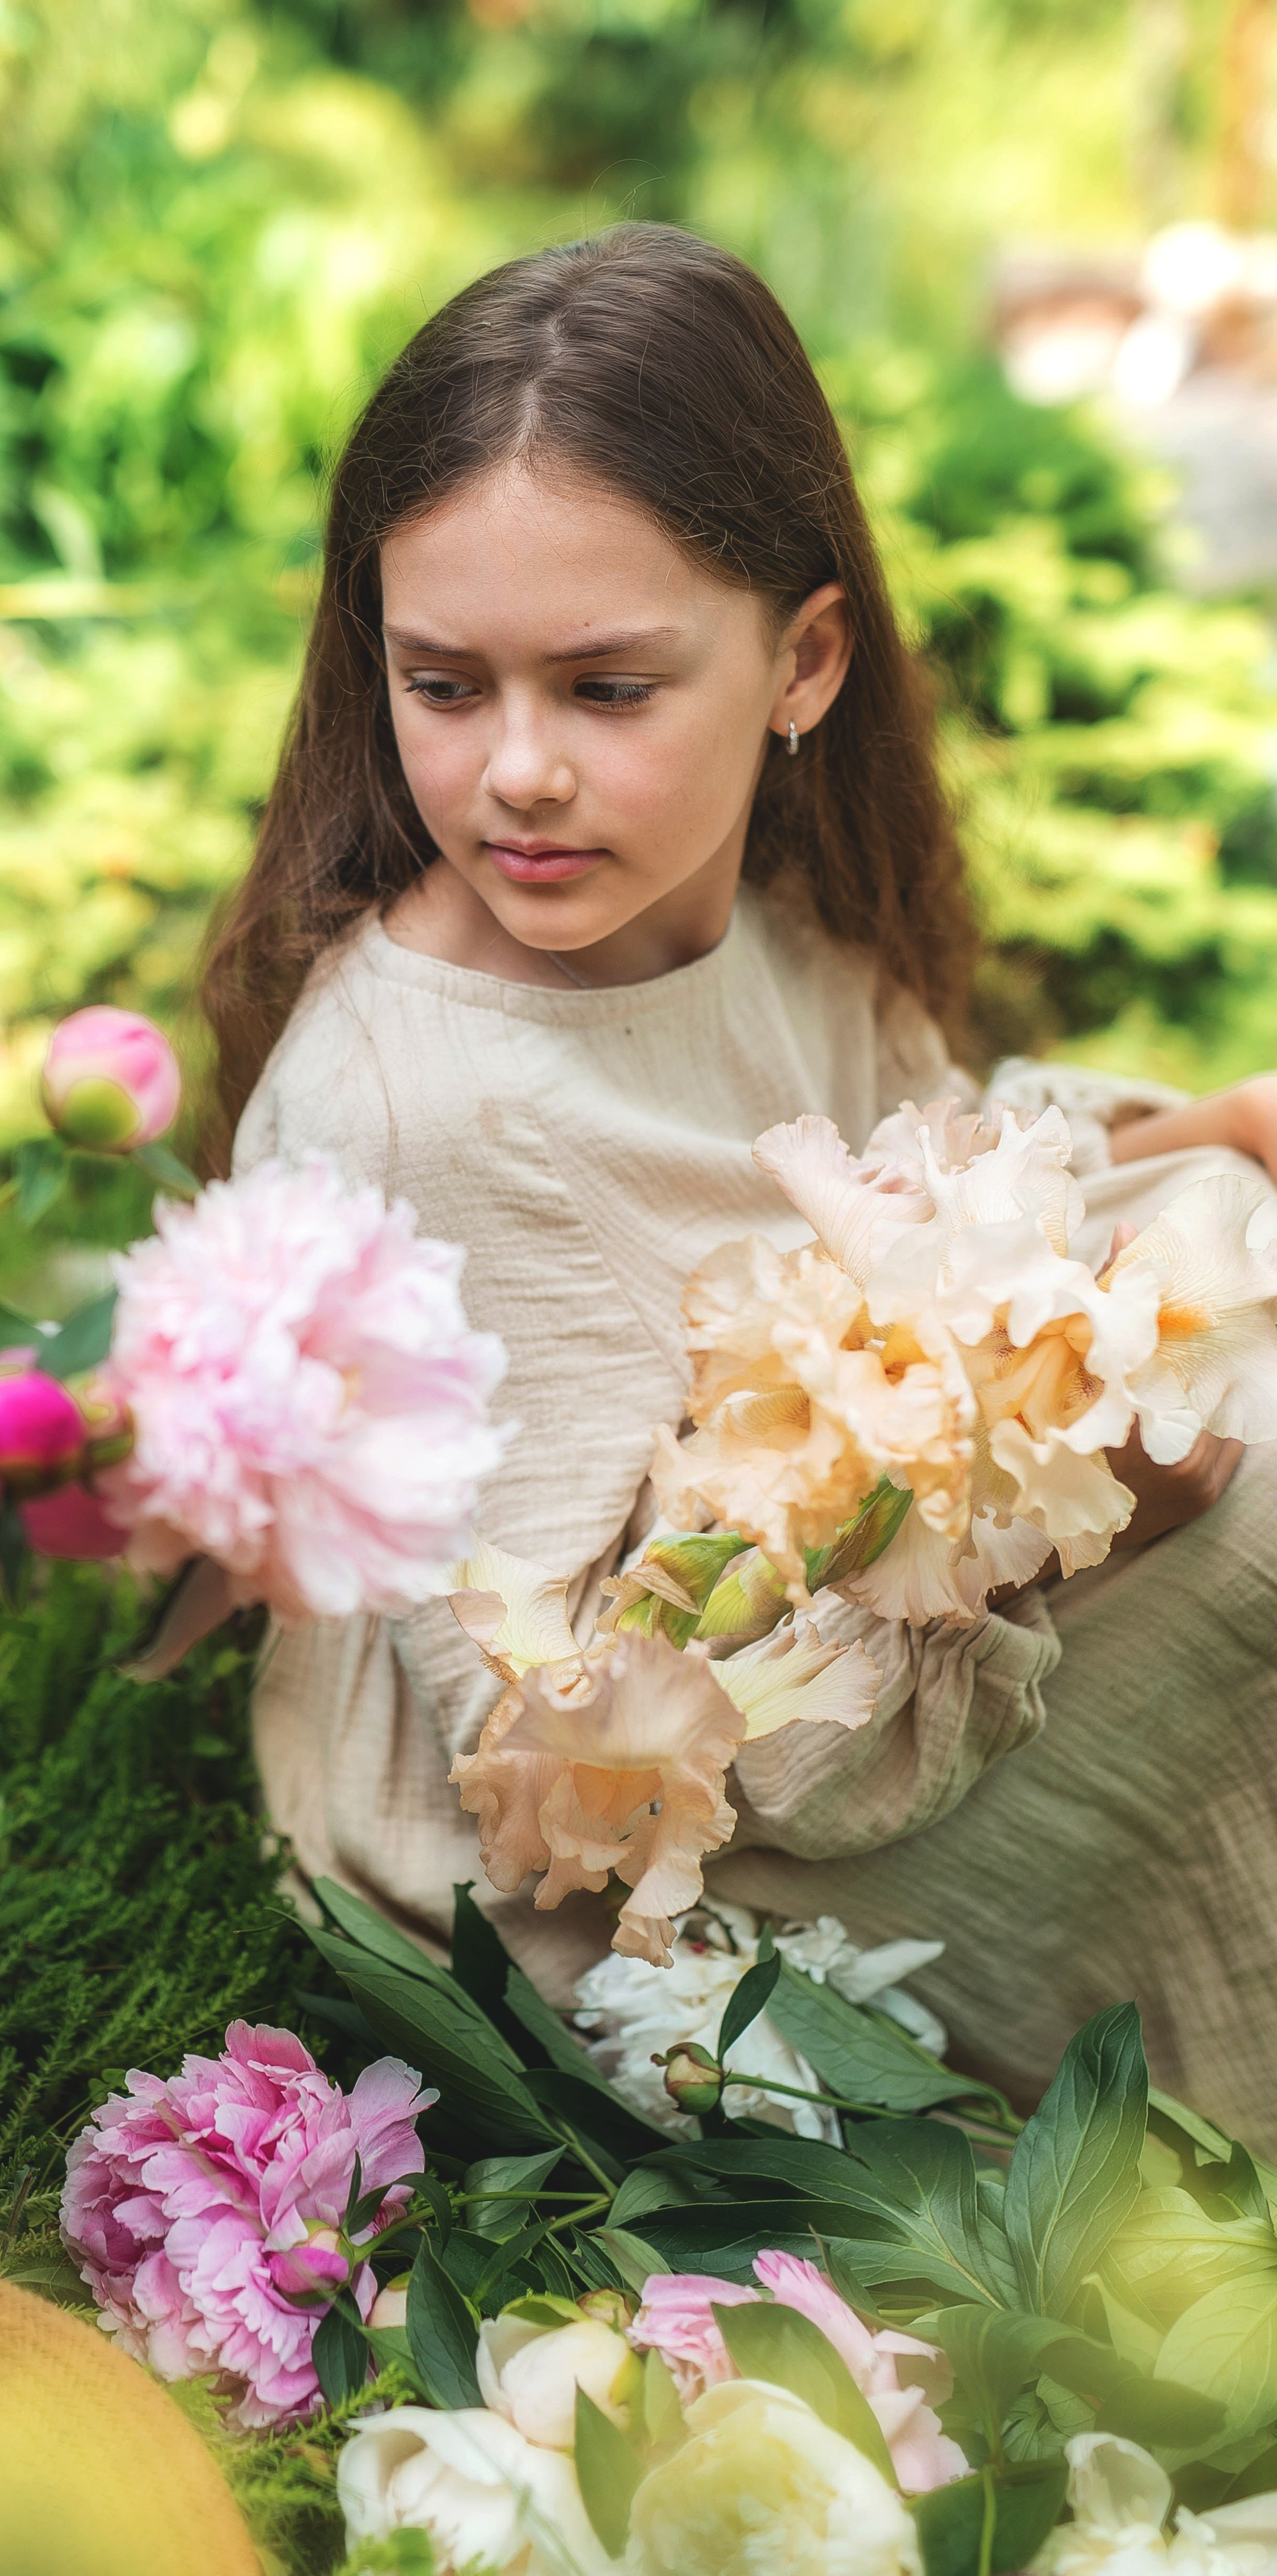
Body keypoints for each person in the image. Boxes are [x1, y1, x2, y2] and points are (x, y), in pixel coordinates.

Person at [202, 223, 1277, 2143]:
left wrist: (1196, 1143)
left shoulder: (771, 924)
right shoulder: (420, 1113)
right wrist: (1077, 1528)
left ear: (804, 661)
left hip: (827, 1656)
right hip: (640, 1877)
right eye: (444, 685)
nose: (518, 772)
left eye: (607, 690)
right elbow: (561, 1772)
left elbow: (919, 1194)